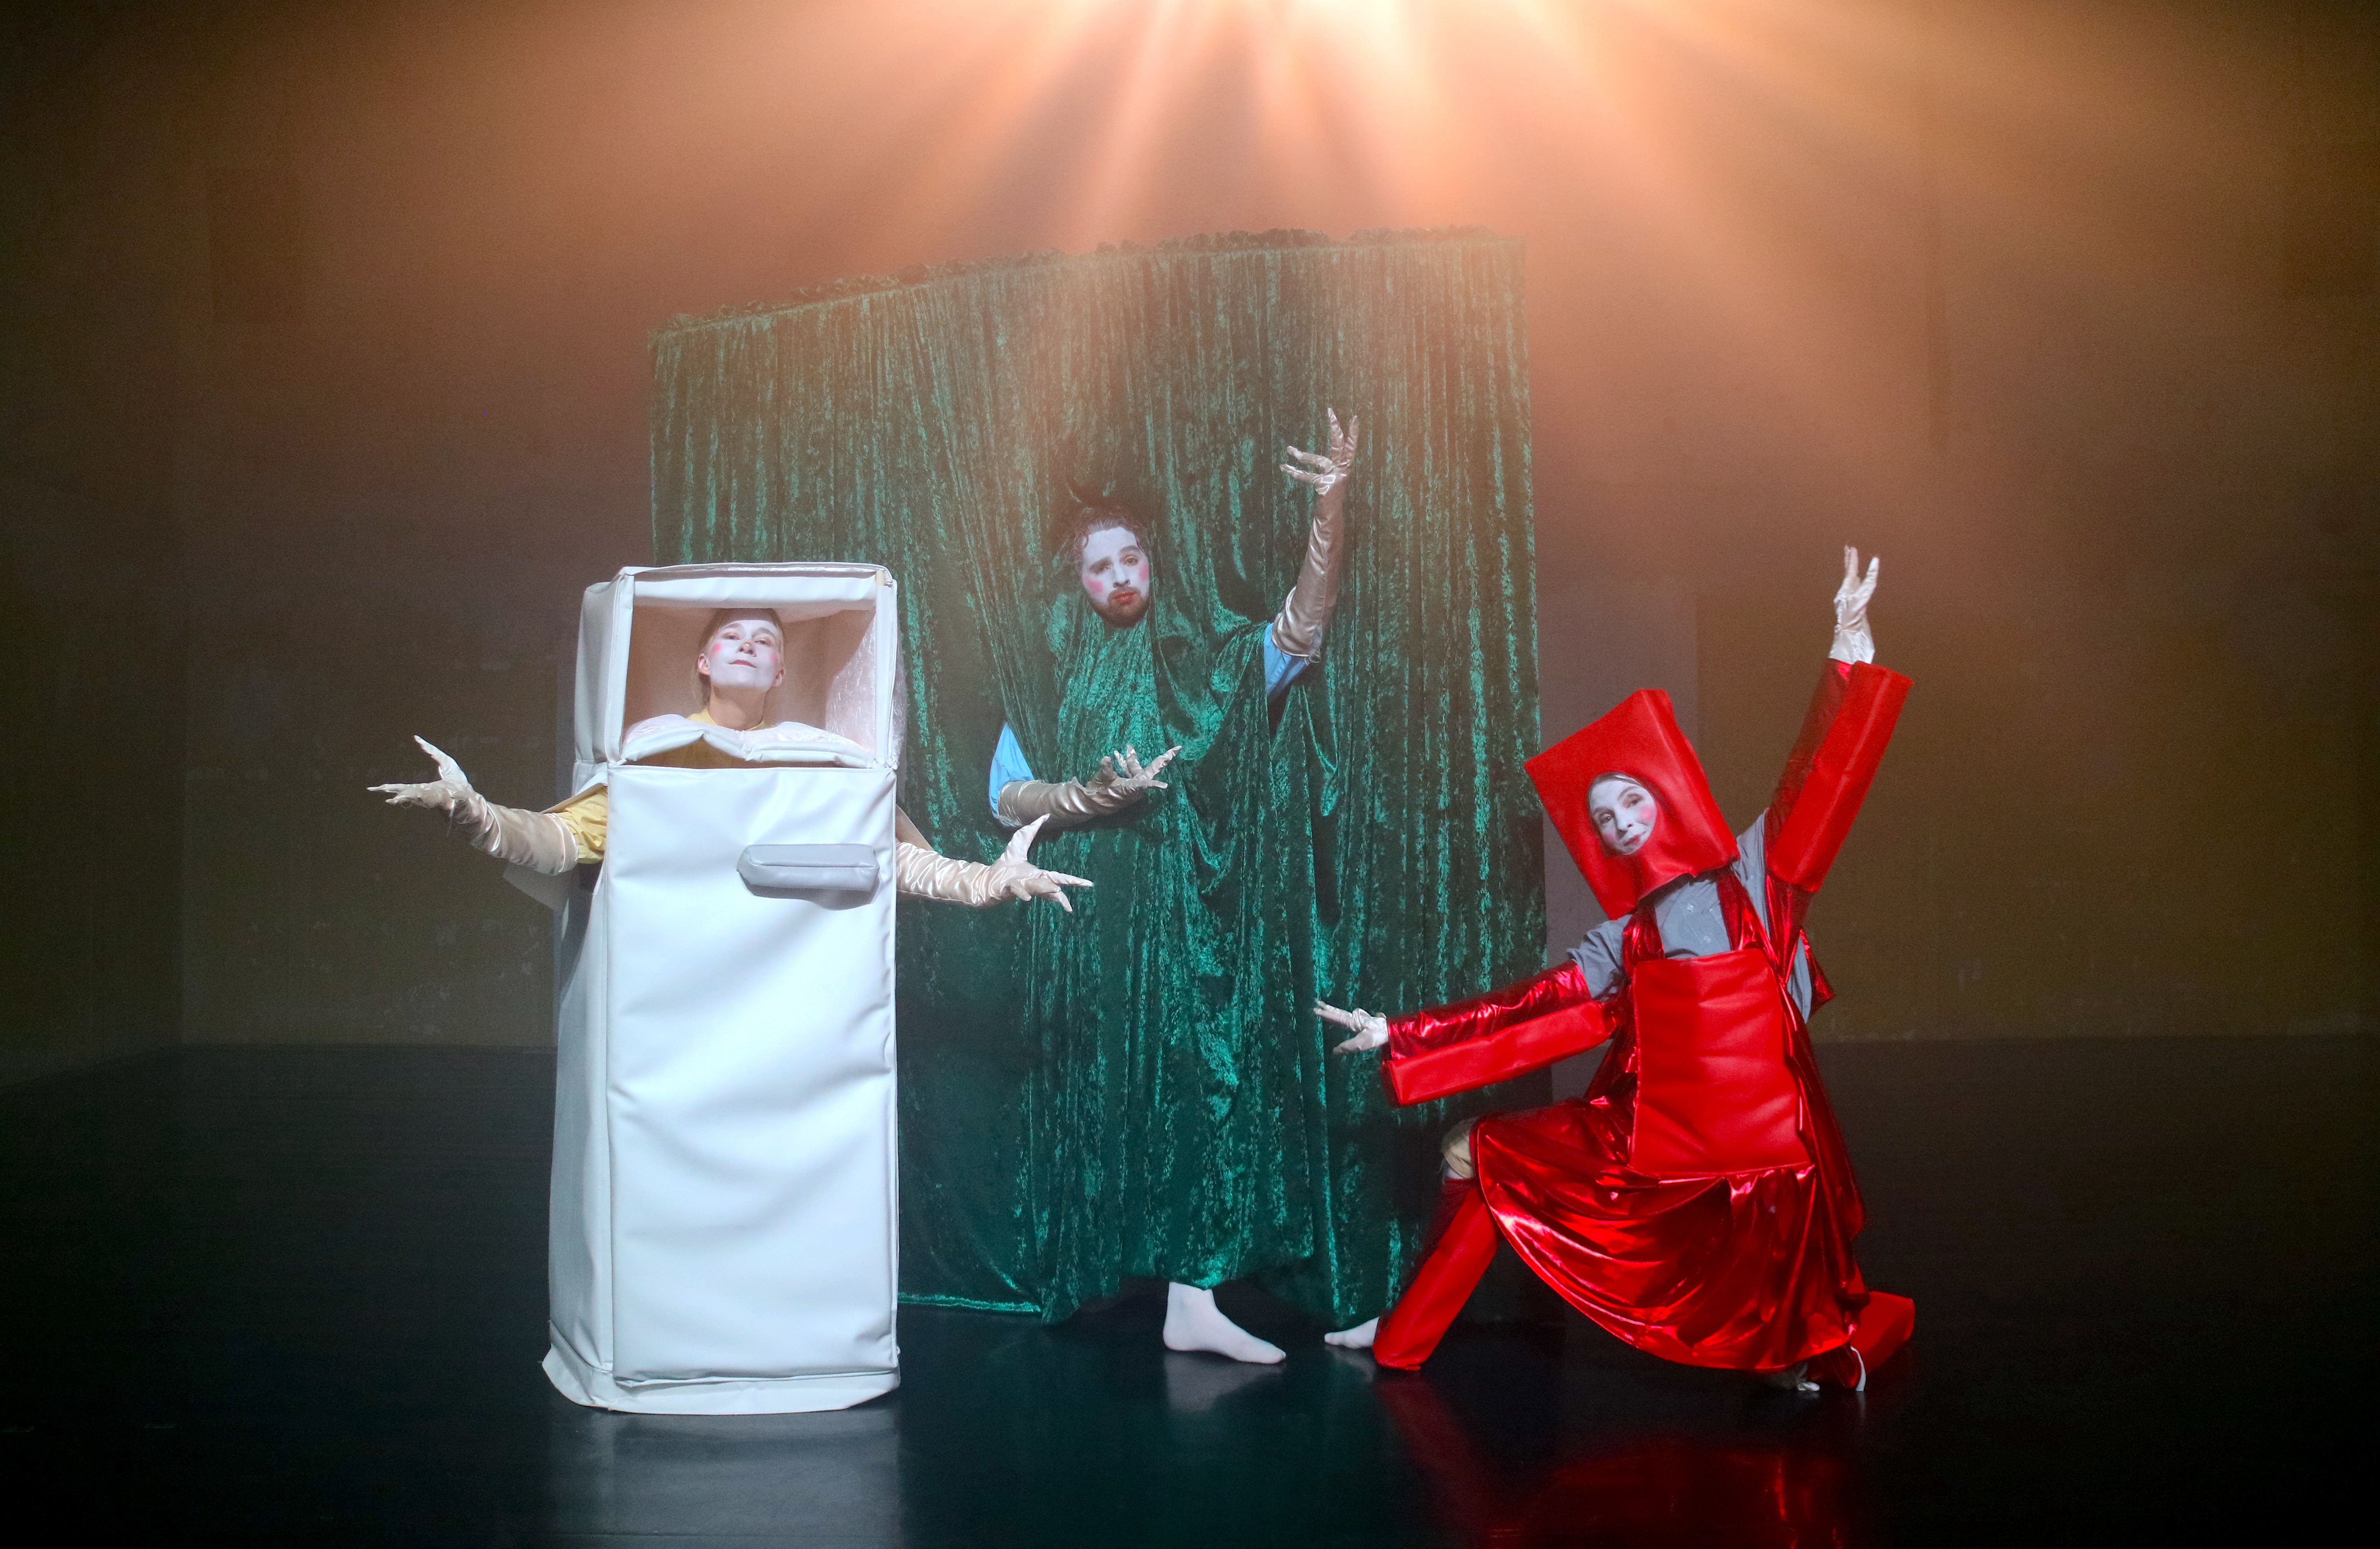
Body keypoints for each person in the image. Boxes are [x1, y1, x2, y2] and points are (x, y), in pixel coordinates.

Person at [1317, 548, 1914, 1390]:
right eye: (1603, 816)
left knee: (1816, 1348)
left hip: (1764, 1160)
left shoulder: (1755, 875)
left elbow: (1815, 779)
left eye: (1632, 798)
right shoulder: (1623, 937)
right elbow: (1532, 1003)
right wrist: (1399, 1031)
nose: (1622, 820)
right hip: (1648, 1143)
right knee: (1472, 1151)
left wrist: (1846, 654)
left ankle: (1813, 1348)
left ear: (1665, 795)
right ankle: (1399, 1336)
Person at [990, 412, 1359, 1363]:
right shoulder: (1052, 668)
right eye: (1098, 566)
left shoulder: (1204, 658)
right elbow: (1003, 794)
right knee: (1106, 1095)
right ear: (1077, 582)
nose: (1119, 577)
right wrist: (1085, 796)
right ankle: (1130, 1282)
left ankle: (1199, 1295)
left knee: (1203, 1089)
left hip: (1197, 920)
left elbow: (1300, 633)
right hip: (1094, 920)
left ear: (1155, 563)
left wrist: (1330, 508)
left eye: (1131, 559)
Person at [373, 606, 1088, 909]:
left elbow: (884, 858)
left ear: (780, 674)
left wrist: (987, 881)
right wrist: (473, 813)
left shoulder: (816, 758)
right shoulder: (655, 753)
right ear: (703, 662)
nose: (749, 643)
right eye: (733, 636)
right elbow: (560, 841)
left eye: (766, 640)